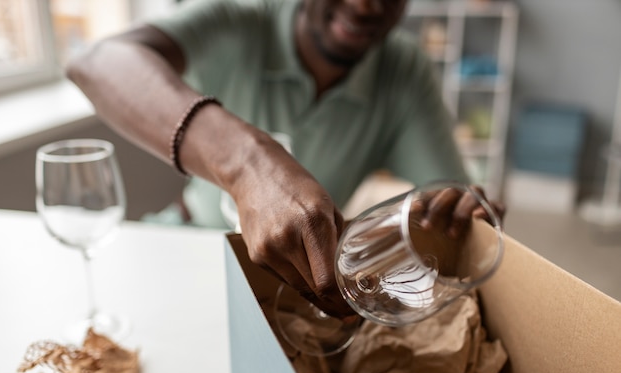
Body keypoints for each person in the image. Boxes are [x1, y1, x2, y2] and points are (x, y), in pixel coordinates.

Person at [66, 0, 505, 318]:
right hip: (190, 243)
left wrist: (463, 212)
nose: (366, 5)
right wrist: (249, 164)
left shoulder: (403, 70)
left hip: (296, 292)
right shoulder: (237, 19)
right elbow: (96, 62)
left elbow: (449, 203)